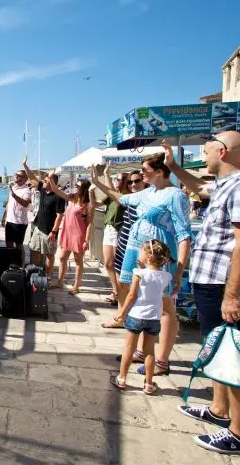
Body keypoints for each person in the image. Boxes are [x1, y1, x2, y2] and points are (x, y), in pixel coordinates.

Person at [164, 132, 240, 455]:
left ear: (222, 152)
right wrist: (174, 167)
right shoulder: (225, 186)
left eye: (206, 150)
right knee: (217, 349)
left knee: (232, 355)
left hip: (225, 285)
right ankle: (219, 410)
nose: (203, 154)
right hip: (210, 283)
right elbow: (198, 187)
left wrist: (233, 294)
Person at [91, 153, 192, 377]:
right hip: (137, 249)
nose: (141, 174)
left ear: (159, 172)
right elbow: (123, 199)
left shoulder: (175, 196)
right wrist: (99, 183)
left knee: (165, 307)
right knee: (135, 294)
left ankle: (162, 361)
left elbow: (184, 234)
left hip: (158, 254)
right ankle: (142, 350)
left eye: (145, 170)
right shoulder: (148, 192)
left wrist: (179, 271)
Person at [110, 239, 173, 395]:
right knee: (149, 351)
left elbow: (131, 295)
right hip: (154, 318)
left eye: (142, 251)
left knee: (129, 348)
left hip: (136, 315)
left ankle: (122, 378)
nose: (140, 254)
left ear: (149, 256)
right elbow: (154, 280)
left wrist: (122, 313)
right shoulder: (166, 276)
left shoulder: (139, 273)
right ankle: (149, 384)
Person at [100, 169, 147, 328]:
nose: (133, 184)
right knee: (122, 283)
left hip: (139, 247)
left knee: (138, 285)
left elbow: (112, 192)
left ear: (144, 181)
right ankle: (121, 316)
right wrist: (100, 179)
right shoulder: (131, 199)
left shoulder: (147, 199)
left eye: (137, 181)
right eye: (130, 182)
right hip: (125, 244)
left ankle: (131, 316)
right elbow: (112, 192)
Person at [47, 169, 93, 295]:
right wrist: (51, 178)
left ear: (83, 189)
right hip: (67, 233)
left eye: (78, 186)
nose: (75, 187)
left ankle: (76, 286)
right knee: (62, 258)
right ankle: (60, 282)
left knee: (78, 261)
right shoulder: (73, 198)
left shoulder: (88, 205)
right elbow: (56, 191)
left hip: (79, 235)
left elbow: (89, 224)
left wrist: (86, 240)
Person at [90, 162, 129, 305]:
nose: (116, 182)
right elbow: (95, 204)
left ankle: (119, 293)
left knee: (116, 265)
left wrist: (106, 174)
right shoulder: (112, 196)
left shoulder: (125, 196)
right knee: (107, 264)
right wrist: (90, 191)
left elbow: (111, 193)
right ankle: (116, 290)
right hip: (108, 229)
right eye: (116, 179)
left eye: (119, 179)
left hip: (118, 230)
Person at [22, 157, 65, 275]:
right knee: (34, 250)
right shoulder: (42, 190)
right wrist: (25, 165)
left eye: (46, 181)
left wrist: (54, 231)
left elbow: (60, 216)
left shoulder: (58, 196)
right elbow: (32, 178)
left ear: (52, 183)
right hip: (38, 228)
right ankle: (35, 273)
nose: (44, 182)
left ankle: (48, 276)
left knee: (49, 255)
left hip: (49, 231)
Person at [4, 170, 32, 261]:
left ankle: (21, 265)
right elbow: (9, 204)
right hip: (10, 221)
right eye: (16, 175)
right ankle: (11, 264)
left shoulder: (26, 190)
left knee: (19, 246)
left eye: (19, 175)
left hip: (19, 222)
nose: (17, 177)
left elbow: (26, 204)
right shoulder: (13, 188)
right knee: (8, 244)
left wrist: (15, 196)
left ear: (25, 179)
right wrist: (4, 217)